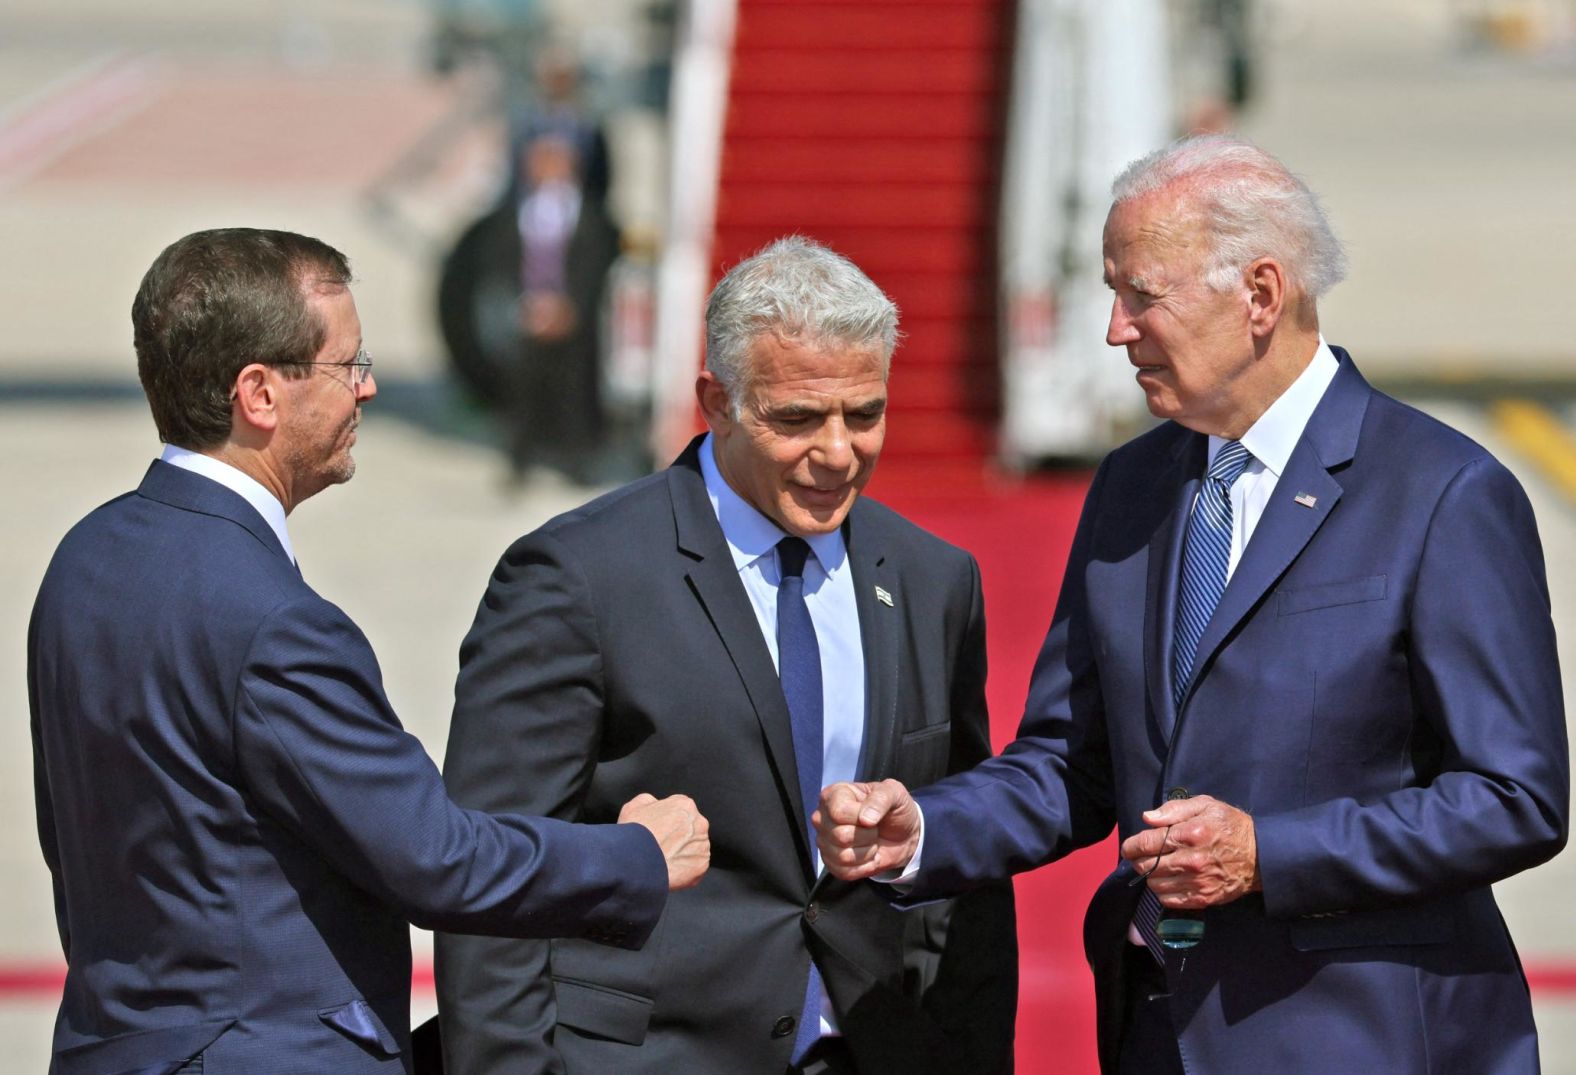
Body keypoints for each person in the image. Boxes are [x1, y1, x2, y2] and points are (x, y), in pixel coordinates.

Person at [816, 136, 1569, 1073]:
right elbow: (1072, 760)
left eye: (1141, 294)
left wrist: (1269, 852)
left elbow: (1514, 797)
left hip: (1363, 1038)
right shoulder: (1134, 485)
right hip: (1159, 1033)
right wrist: (924, 830)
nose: (1115, 328)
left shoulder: (1443, 492)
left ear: (1259, 294)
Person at [28, 228, 710, 1075]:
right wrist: (633, 854)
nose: (369, 387)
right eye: (347, 365)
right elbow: (435, 860)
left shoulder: (84, 560)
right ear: (259, 394)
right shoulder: (277, 622)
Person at [434, 236, 1017, 1073]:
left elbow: (965, 872)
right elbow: (492, 879)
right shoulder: (577, 578)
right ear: (716, 400)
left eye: (865, 413)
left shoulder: (933, 579)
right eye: (797, 418)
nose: (839, 451)